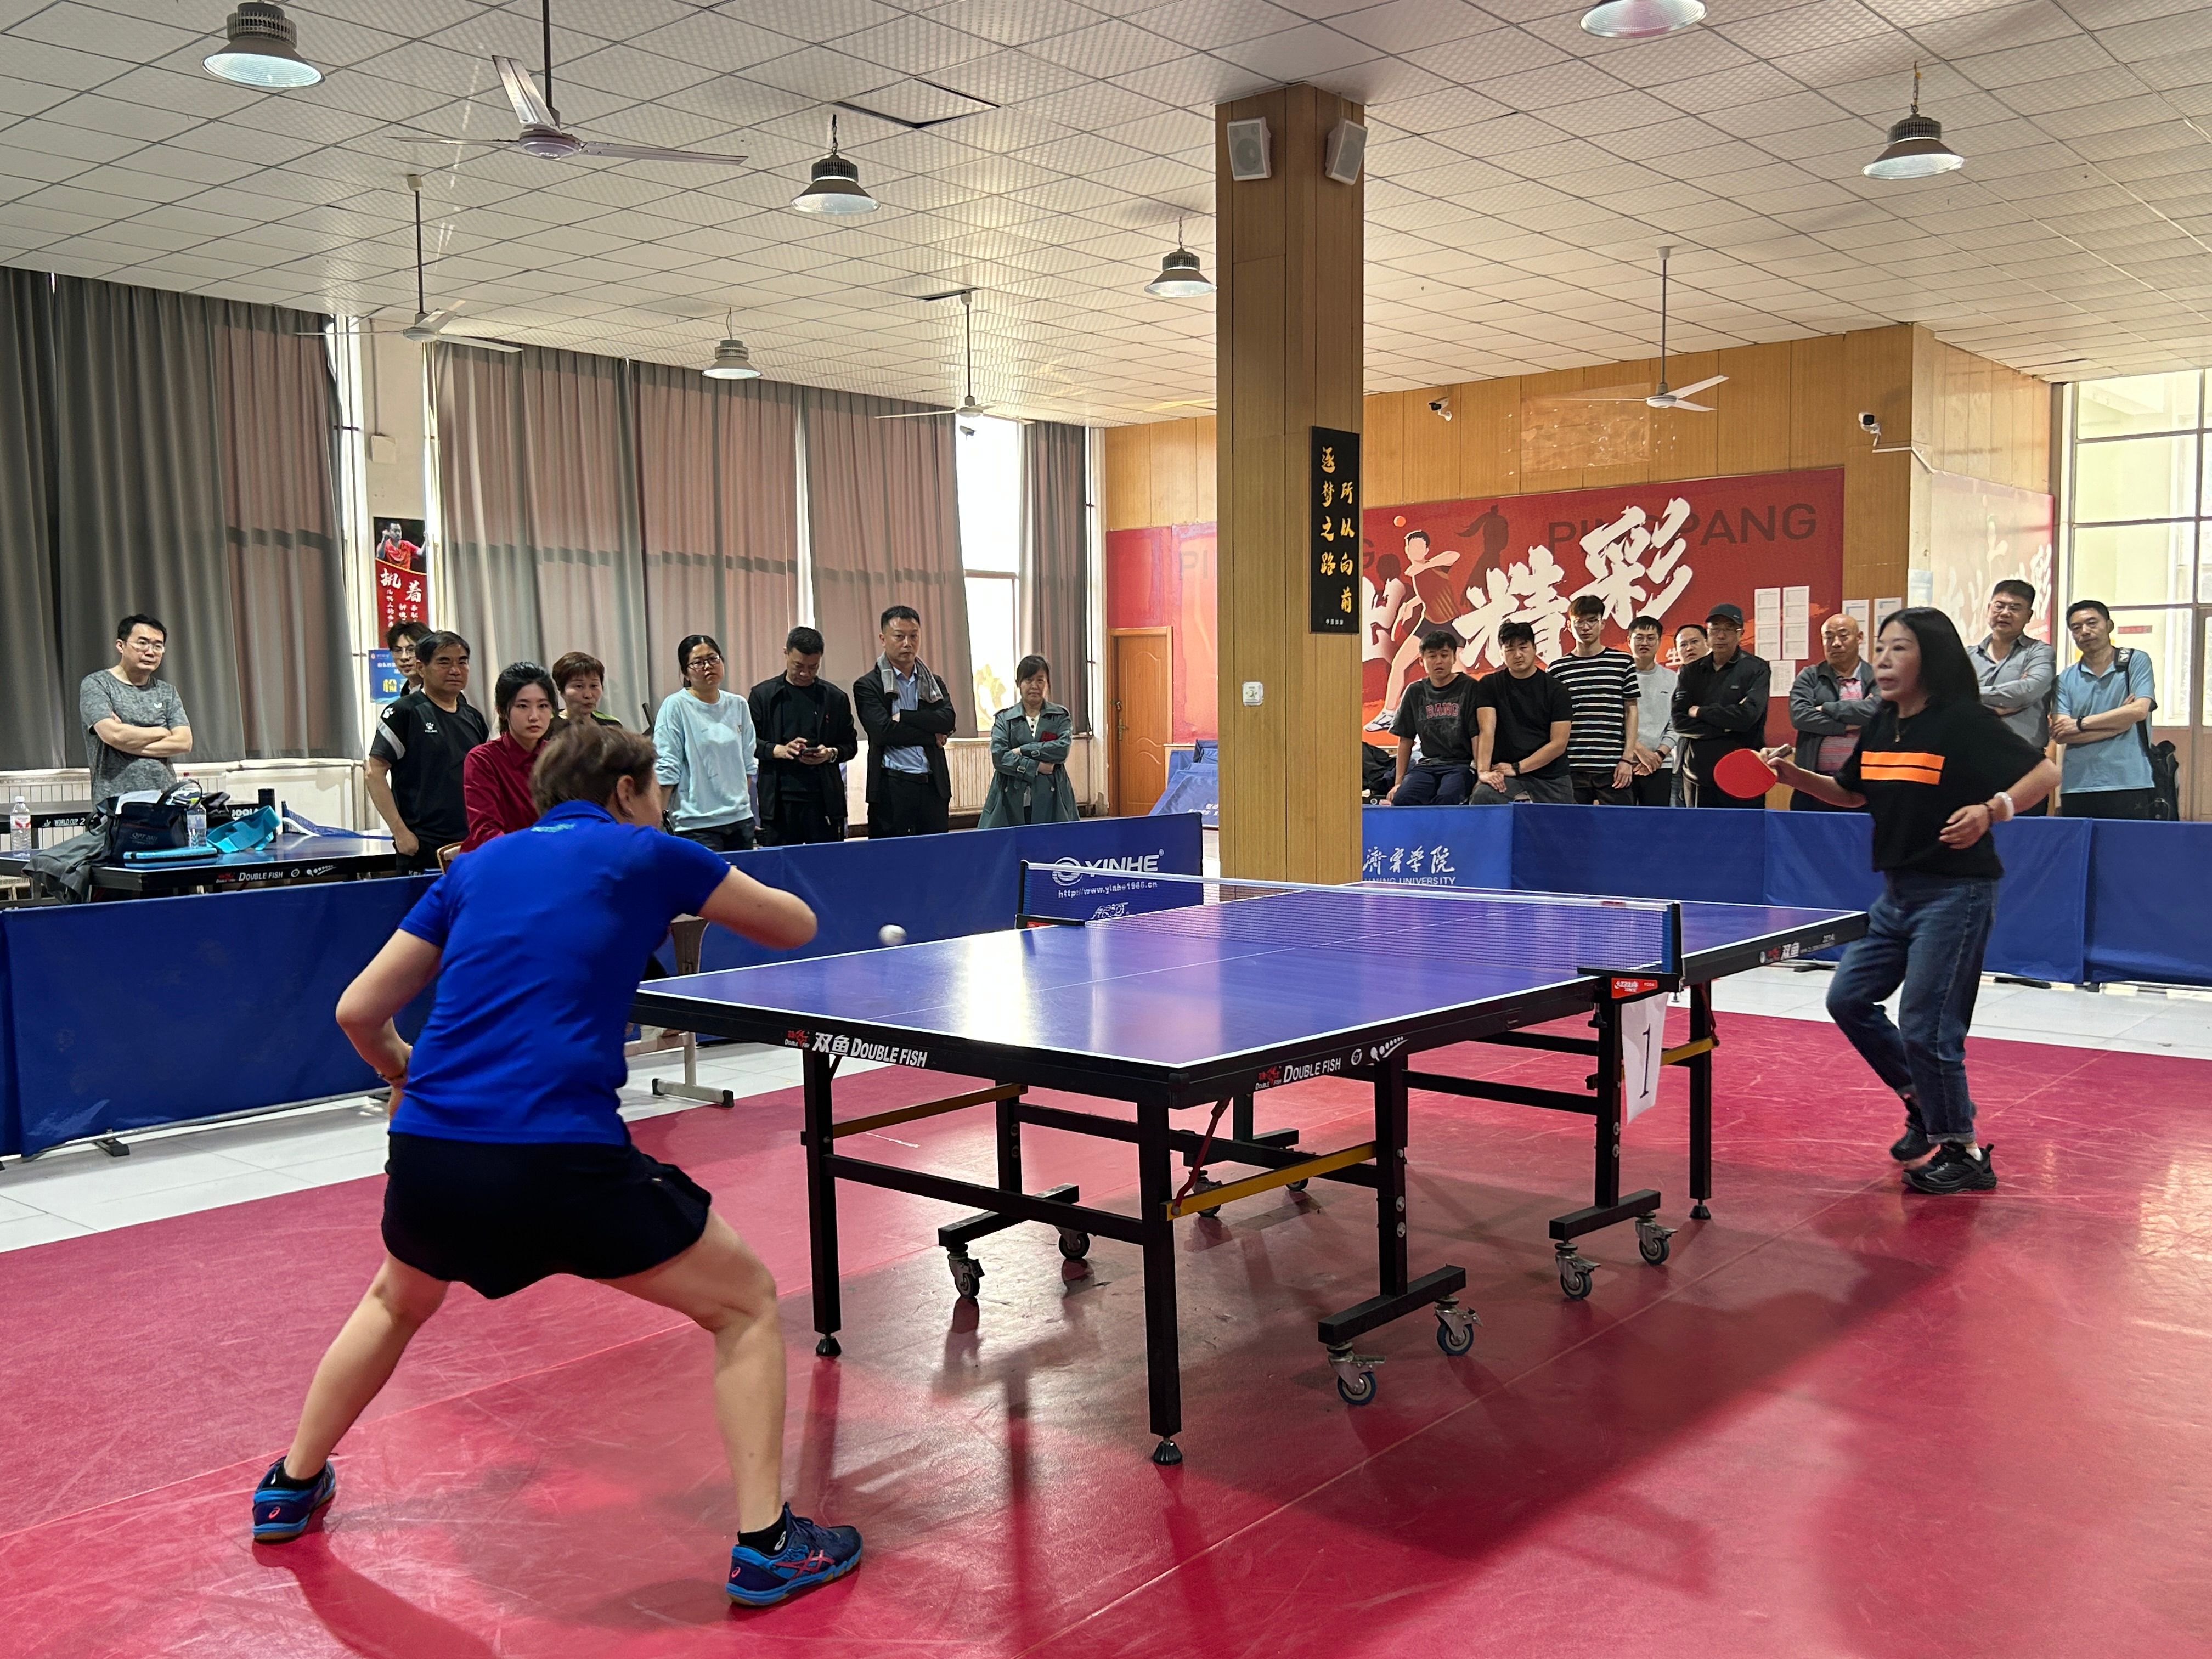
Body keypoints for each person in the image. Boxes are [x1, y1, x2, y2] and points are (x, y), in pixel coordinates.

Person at [250, 722, 862, 1606]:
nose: (663, 810)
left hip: (431, 1151)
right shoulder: (649, 851)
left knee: (396, 1299)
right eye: (657, 794)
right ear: (627, 792)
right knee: (746, 1304)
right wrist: (674, 884)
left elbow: (358, 1010)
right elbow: (795, 925)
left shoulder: (475, 868)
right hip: (559, 1159)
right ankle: (769, 1544)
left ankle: (290, 1486)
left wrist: (403, 1072)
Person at [1760, 609, 2058, 1194]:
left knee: (1928, 1025)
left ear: (1931, 658)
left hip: (1956, 893)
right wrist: (1795, 777)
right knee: (1848, 999)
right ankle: (1925, 1103)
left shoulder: (1962, 721)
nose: (1885, 659)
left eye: (1900, 648)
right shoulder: (1882, 722)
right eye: (1882, 648)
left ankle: (1965, 1150)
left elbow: (2044, 773)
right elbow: (1852, 794)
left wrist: (1991, 810)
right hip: (1896, 895)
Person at [368, 630, 488, 872]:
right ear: (421, 668)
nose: (455, 670)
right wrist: (400, 832)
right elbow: (374, 773)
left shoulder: (473, 717)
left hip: (470, 844)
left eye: (462, 662)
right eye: (444, 662)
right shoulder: (403, 712)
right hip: (422, 846)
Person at [854, 605, 957, 838]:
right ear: (883, 639)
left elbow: (947, 721)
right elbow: (884, 732)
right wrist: (931, 735)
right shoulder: (868, 685)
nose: (907, 644)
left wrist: (905, 717)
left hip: (933, 785)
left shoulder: (933, 682)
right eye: (899, 637)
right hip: (892, 787)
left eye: (913, 636)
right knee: (892, 856)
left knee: (934, 854)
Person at [749, 627, 858, 846]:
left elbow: (850, 745)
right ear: (786, 653)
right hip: (778, 802)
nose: (805, 674)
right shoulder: (763, 696)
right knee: (781, 863)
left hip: (824, 801)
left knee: (825, 863)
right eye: (798, 666)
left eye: (813, 667)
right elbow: (748, 743)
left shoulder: (834, 698)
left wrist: (830, 754)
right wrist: (779, 750)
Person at [2051, 600, 2158, 819]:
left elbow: (2139, 711)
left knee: (2126, 842)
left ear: (2109, 626)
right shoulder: (2065, 679)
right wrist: (2119, 726)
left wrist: (2080, 724)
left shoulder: (2134, 662)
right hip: (2077, 784)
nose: (2085, 631)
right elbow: (2062, 734)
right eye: (2076, 628)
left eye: (2092, 623)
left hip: (2129, 781)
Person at [653, 634, 759, 851]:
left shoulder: (738, 705)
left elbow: (748, 763)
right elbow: (667, 767)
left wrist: (737, 804)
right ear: (685, 672)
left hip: (740, 821)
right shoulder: (676, 706)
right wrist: (656, 822)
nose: (708, 666)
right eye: (698, 663)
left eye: (713, 659)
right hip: (695, 825)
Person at [80, 613, 192, 803]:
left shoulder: (167, 692)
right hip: (116, 803)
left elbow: (184, 742)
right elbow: (113, 735)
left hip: (165, 801)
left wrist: (125, 741)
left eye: (158, 646)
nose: (150, 652)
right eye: (142, 643)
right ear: (121, 646)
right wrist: (162, 732)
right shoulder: (97, 684)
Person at [1672, 602, 1771, 808]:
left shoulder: (1756, 669)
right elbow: (1680, 722)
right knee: (1700, 828)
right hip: (1699, 773)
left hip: (1744, 772)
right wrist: (1726, 726)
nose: (1721, 636)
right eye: (1715, 629)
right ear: (1708, 633)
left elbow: (1748, 717)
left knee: (1744, 828)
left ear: (1741, 633)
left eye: (1729, 629)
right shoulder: (1690, 672)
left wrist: (1701, 712)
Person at [1970, 582, 2055, 812]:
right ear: (1989, 609)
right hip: (1972, 761)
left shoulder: (2039, 652)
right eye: (1999, 606)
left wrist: (1973, 695)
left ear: (2029, 616)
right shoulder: (1967, 656)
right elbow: (1949, 697)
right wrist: (2009, 699)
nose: (2005, 613)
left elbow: (2028, 691)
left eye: (2015, 608)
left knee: (2025, 832)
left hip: (2024, 764)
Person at [456, 662, 557, 855]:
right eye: (523, 706)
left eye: (543, 706)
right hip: (501, 859)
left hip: (552, 857)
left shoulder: (559, 757)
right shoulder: (483, 759)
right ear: (502, 711)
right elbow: (485, 831)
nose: (534, 716)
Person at [1548, 594, 1640, 805]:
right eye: (1579, 622)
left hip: (1613, 767)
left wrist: (1627, 759)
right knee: (1570, 824)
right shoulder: (1557, 669)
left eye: (1592, 620)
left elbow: (1631, 710)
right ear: (1569, 626)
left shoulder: (1623, 662)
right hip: (1571, 766)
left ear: (1603, 623)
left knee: (1620, 823)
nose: (1586, 627)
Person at [1471, 620, 1575, 803]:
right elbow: (1487, 730)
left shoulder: (1557, 690)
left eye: (1523, 647)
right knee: (1483, 797)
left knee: (1563, 819)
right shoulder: (1490, 685)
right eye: (1510, 649)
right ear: (1502, 653)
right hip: (1505, 771)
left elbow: (1559, 743)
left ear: (1534, 648)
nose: (1517, 654)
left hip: (1550, 774)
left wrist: (1518, 768)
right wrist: (1484, 772)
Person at [1786, 613, 1880, 811]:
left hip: (1865, 785)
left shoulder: (1877, 677)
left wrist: (1827, 708)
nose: (1836, 643)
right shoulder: (1810, 676)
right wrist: (1849, 725)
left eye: (1843, 636)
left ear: (1859, 638)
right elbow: (1801, 716)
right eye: (1828, 637)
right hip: (1813, 784)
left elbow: (1877, 712)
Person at [1384, 629, 1483, 805]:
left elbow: (1477, 735)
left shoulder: (1470, 688)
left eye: (1444, 655)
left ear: (1454, 658)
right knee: (1403, 799)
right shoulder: (1415, 691)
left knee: (1447, 798)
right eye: (1432, 656)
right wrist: (1398, 783)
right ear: (1422, 660)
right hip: (1427, 764)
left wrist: (1480, 774)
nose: (1439, 661)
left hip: (1461, 765)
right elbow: (1405, 739)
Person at [980, 655, 1080, 827]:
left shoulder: (1059, 716)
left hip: (1052, 796)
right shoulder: (1005, 719)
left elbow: (1062, 750)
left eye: (1040, 680)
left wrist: (1023, 750)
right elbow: (1000, 757)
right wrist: (1036, 766)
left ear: (1047, 684)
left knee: (1054, 842)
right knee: (1010, 842)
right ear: (1019, 683)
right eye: (1028, 680)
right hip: (1010, 796)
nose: (1035, 686)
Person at [1626, 614, 1677, 806]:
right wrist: (1639, 750)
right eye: (1639, 638)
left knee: (1656, 821)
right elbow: (1613, 720)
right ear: (1629, 641)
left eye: (1650, 638)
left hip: (1659, 765)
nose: (1645, 643)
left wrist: (1659, 755)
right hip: (1624, 763)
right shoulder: (1619, 677)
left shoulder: (1672, 679)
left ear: (1659, 642)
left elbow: (1677, 724)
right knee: (1622, 820)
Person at [551, 651, 623, 728]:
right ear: (561, 689)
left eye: (594, 686)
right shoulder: (547, 724)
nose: (588, 695)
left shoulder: (611, 725)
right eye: (579, 686)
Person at [386, 618, 432, 697]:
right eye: (398, 650)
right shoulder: (406, 692)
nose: (404, 657)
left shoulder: (440, 692)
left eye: (411, 650)